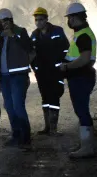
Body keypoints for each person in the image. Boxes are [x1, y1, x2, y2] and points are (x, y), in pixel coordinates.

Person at [58, 2, 97, 159]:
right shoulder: (81, 33)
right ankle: (85, 144)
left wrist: (67, 67)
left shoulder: (83, 35)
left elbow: (84, 58)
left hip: (81, 77)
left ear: (74, 18)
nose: (69, 21)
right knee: (80, 110)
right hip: (80, 77)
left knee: (82, 111)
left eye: (69, 18)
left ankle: (87, 148)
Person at [0, 8, 35, 150]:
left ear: (9, 21)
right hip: (4, 77)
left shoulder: (20, 32)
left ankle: (25, 137)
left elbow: (30, 49)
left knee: (18, 106)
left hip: (18, 76)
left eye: (1, 21)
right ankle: (16, 134)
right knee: (10, 107)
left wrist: (12, 36)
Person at [30, 7, 70, 136]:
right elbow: (31, 54)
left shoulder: (57, 31)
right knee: (45, 98)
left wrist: (62, 65)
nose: (38, 22)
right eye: (36, 20)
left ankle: (53, 128)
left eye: (41, 19)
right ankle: (47, 127)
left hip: (55, 71)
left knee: (54, 97)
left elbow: (65, 49)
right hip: (42, 73)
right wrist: (35, 68)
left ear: (46, 19)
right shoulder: (34, 35)